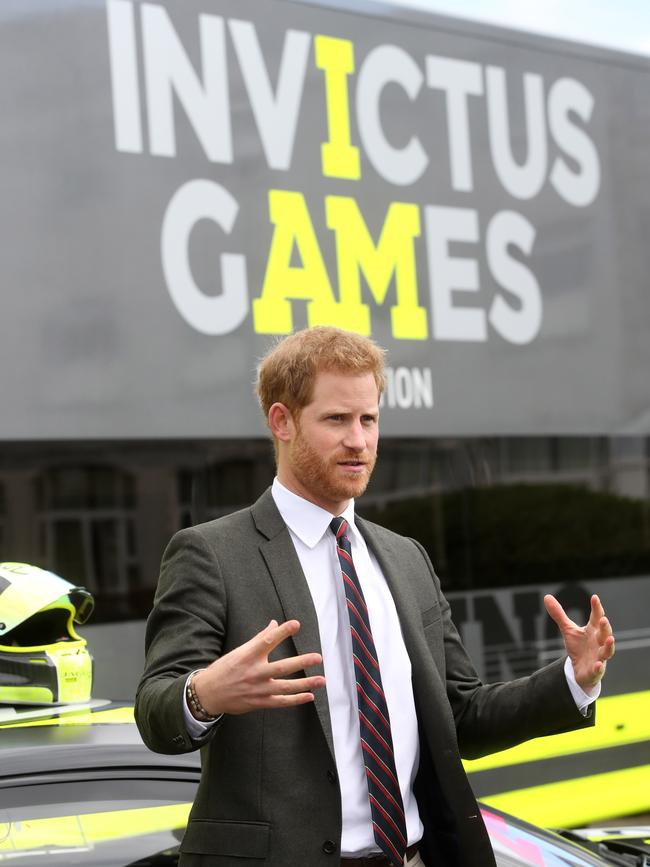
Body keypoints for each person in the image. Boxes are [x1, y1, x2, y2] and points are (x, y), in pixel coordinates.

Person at [135, 326, 615, 867]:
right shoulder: (211, 554)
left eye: (369, 419)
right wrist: (204, 694)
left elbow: (459, 716)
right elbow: (156, 712)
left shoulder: (406, 558)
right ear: (282, 421)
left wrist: (574, 681)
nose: (359, 441)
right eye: (336, 419)